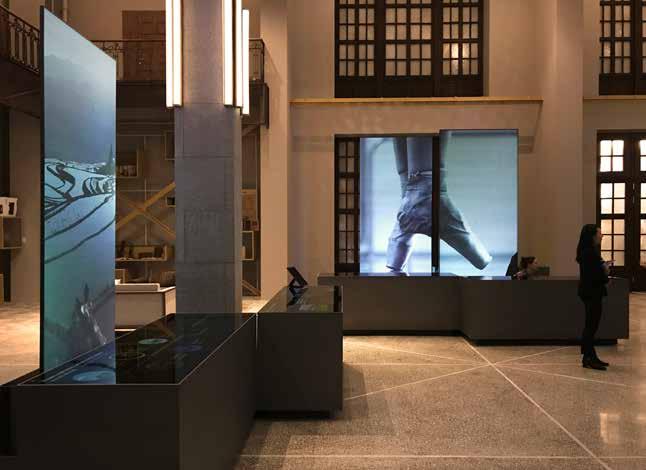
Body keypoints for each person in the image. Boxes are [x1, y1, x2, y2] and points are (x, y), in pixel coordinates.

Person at [386, 136, 492, 272]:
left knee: (405, 125)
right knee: (425, 124)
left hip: (410, 207)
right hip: (430, 205)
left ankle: (413, 204)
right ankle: (421, 200)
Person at [576, 224, 611, 370]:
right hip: (592, 292)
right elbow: (595, 275)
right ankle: (589, 357)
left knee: (591, 325)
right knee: (591, 326)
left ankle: (589, 356)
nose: (602, 236)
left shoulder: (587, 252)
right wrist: (605, 272)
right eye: (599, 233)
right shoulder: (590, 253)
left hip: (589, 292)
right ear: (592, 236)